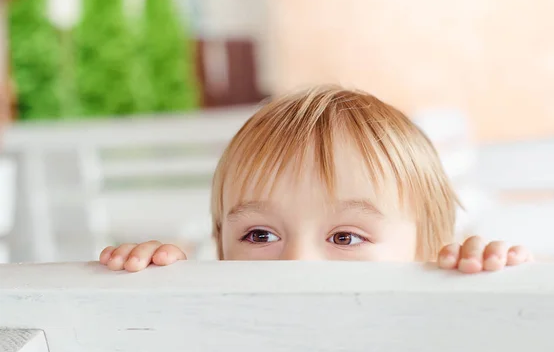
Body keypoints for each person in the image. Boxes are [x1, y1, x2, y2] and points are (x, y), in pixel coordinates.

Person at [99, 85, 532, 273]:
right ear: (221, 249)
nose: (297, 263)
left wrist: (495, 290)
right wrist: (161, 290)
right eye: (260, 235)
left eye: (345, 237)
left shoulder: (439, 331)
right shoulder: (220, 333)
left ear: (429, 253)